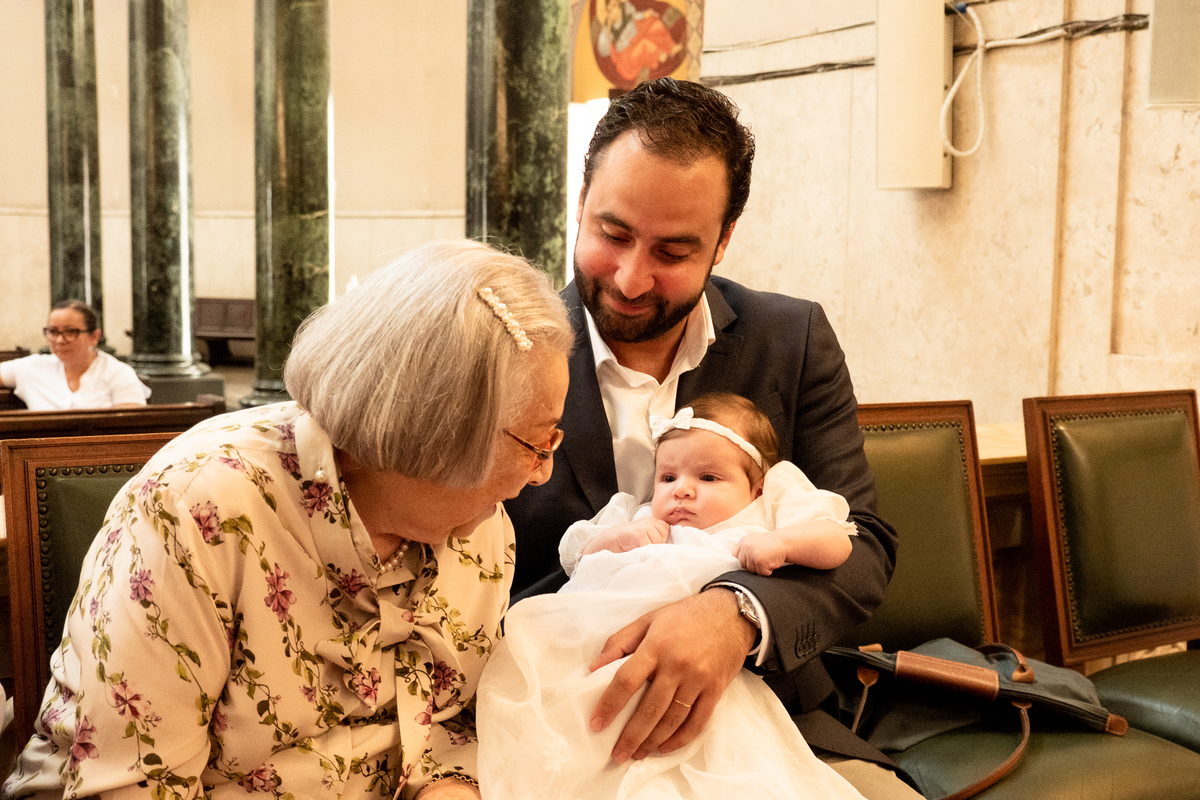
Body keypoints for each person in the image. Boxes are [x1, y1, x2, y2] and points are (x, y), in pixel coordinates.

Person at [1, 239, 574, 800]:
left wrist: (452, 785)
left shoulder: (481, 529)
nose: (543, 473)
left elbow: (456, 720)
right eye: (537, 443)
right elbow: (133, 784)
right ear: (437, 431)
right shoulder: (198, 510)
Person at [501, 77, 919, 798]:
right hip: (551, 715)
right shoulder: (503, 343)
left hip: (773, 712)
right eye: (613, 234)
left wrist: (734, 616)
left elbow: (866, 543)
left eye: (672, 250)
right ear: (579, 208)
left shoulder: (792, 339)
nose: (631, 278)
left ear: (724, 240)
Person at [478, 393, 865, 799]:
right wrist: (620, 537)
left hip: (708, 673)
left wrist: (783, 544)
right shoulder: (641, 516)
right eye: (668, 478)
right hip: (594, 646)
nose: (682, 490)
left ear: (756, 489)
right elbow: (577, 554)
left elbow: (839, 542)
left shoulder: (761, 519)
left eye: (708, 478)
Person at [0, 300, 150, 410]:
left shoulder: (118, 373)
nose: (59, 340)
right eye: (53, 331)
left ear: (94, 337)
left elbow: (131, 425)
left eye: (71, 332)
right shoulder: (32, 367)